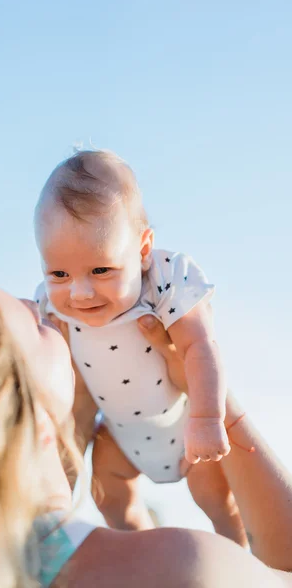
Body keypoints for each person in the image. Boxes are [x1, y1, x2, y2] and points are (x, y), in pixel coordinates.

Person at [0, 261, 292, 588]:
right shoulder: (182, 568)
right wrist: (213, 401)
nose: (48, 307)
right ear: (16, 411)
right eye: (37, 325)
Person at [33, 148, 240, 538]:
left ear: (143, 250)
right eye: (58, 273)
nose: (79, 293)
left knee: (216, 500)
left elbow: (199, 347)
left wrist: (206, 419)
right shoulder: (53, 310)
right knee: (109, 495)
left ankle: (236, 556)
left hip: (185, 428)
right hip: (119, 435)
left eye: (101, 269)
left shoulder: (162, 282)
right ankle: (142, 548)